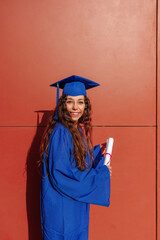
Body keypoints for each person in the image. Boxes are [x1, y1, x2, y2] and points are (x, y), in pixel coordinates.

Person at [39, 75, 112, 240]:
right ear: (63, 104)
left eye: (80, 102)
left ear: (85, 105)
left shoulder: (74, 128)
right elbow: (63, 174)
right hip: (63, 208)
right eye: (70, 101)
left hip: (73, 206)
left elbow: (72, 160)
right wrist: (100, 175)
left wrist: (96, 152)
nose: (75, 107)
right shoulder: (61, 131)